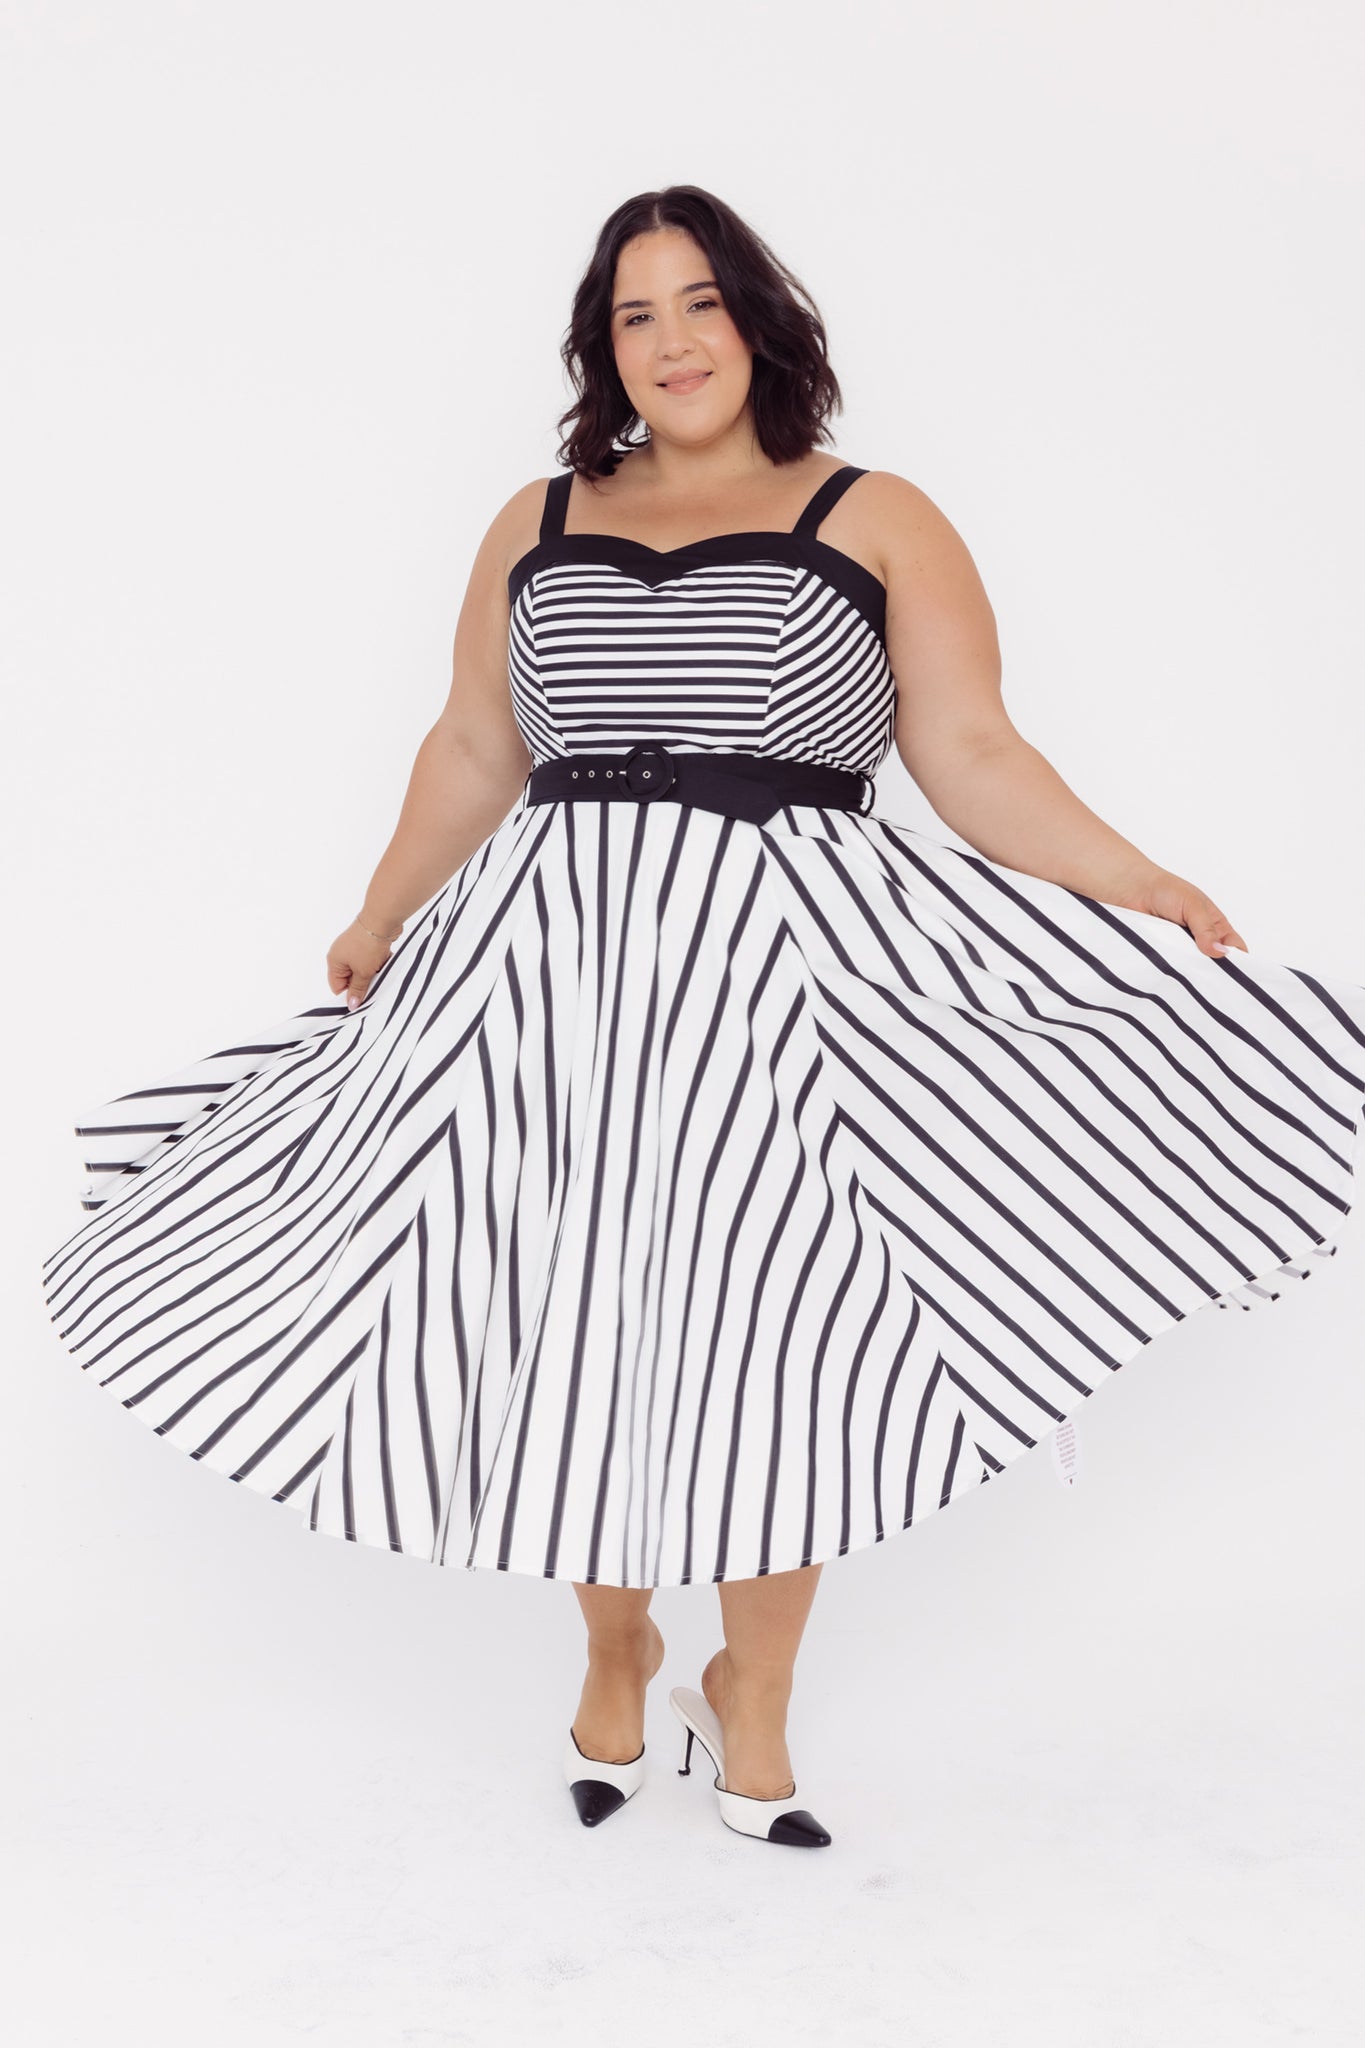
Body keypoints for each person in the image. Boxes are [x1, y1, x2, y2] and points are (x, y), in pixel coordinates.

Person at [39, 185, 1365, 1851]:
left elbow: (971, 758)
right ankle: (618, 1647)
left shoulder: (875, 515)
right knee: (570, 1308)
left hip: (793, 989)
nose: (668, 343)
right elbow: (473, 747)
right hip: (552, 973)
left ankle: (756, 1696)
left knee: (773, 1329)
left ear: (758, 319)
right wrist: (378, 910)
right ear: (604, 348)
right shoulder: (534, 518)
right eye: (633, 316)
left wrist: (1143, 882)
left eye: (698, 305)